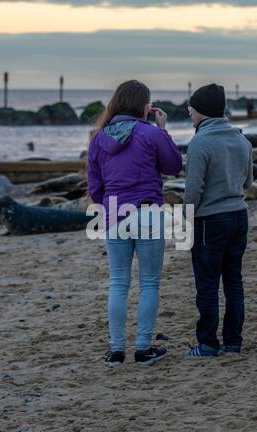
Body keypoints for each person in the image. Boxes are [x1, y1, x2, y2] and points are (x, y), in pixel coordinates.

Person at [88, 80, 182, 367]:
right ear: (145, 106)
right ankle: (142, 349)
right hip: (147, 212)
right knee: (149, 283)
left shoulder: (99, 138)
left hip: (116, 212)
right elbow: (173, 166)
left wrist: (109, 208)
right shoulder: (151, 134)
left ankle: (116, 351)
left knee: (118, 283)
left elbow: (95, 187)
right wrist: (163, 129)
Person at [183, 83, 253, 357]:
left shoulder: (200, 142)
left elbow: (193, 190)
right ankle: (233, 341)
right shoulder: (242, 140)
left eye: (192, 107)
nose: (189, 112)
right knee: (233, 280)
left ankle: (208, 343)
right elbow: (248, 182)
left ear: (201, 110)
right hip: (239, 216)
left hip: (209, 220)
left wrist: (186, 221)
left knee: (207, 282)